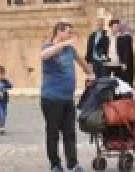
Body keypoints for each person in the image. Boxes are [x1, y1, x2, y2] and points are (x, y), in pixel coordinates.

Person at [39, 21, 94, 172]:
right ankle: (55, 164)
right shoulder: (48, 47)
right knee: (53, 132)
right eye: (68, 32)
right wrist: (63, 45)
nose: (71, 36)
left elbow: (82, 63)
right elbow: (43, 56)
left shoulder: (70, 50)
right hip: (51, 99)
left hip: (67, 99)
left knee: (70, 132)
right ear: (59, 32)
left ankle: (73, 163)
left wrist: (90, 74)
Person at [114, 20, 135, 88]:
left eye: (120, 26)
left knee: (127, 78)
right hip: (120, 61)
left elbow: (127, 50)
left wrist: (124, 62)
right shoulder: (119, 37)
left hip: (126, 61)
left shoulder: (127, 37)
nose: (118, 28)